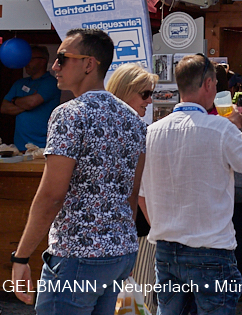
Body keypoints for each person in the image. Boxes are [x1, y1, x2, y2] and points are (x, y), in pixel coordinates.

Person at [10, 29, 147, 315]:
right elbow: (132, 194)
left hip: (78, 254)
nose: (54, 66)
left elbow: (51, 196)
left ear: (89, 64)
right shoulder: (133, 119)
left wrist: (21, 257)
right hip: (120, 250)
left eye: (63, 58)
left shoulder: (69, 113)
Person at [142, 54, 242, 315]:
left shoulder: (151, 132)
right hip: (211, 249)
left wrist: (164, 226)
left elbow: (141, 195)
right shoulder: (222, 129)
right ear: (209, 84)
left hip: (167, 248)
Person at [106, 64, 159, 311]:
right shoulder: (137, 131)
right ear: (126, 91)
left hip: (115, 232)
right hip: (133, 231)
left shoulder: (130, 129)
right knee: (138, 303)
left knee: (130, 304)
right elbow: (140, 193)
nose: (149, 101)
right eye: (145, 94)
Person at [0, 48, 60, 151]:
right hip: (19, 147)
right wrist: (26, 104)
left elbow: (31, 103)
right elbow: (4, 108)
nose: (26, 62)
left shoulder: (51, 82)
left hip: (43, 146)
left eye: (30, 59)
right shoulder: (19, 83)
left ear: (43, 60)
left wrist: (15, 101)